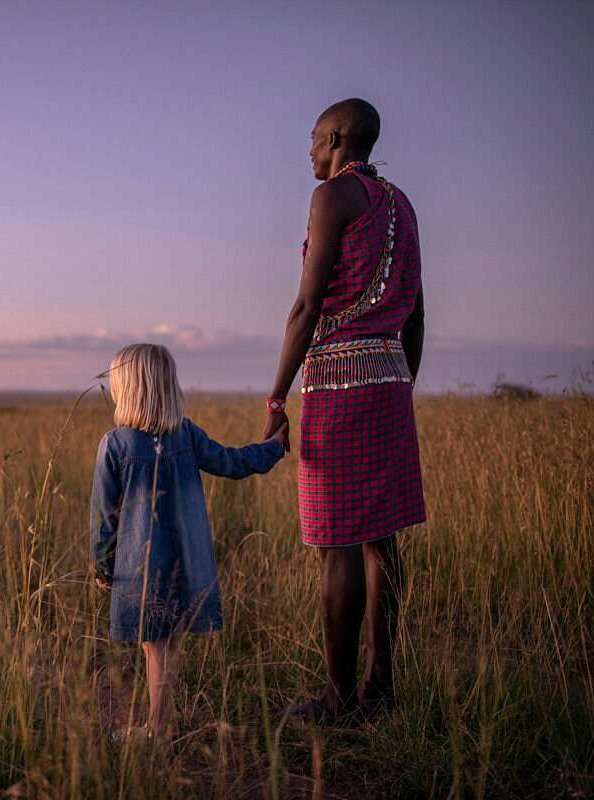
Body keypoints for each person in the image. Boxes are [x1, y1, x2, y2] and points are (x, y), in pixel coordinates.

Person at [262, 98, 427, 723]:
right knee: (381, 539)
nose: (307, 150)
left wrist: (278, 396)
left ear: (336, 137)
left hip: (339, 383)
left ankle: (337, 701)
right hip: (389, 378)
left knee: (337, 543)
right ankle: (380, 690)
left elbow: (307, 307)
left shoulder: (332, 197)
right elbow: (415, 311)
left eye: (311, 138)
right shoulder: (402, 206)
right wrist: (400, 381)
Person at [90, 342, 288, 739]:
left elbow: (103, 516)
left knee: (155, 646)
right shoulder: (186, 434)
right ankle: (165, 719)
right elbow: (231, 462)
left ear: (127, 388)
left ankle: (159, 728)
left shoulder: (115, 444)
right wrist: (273, 448)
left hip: (140, 568)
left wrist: (103, 564)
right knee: (167, 645)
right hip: (187, 564)